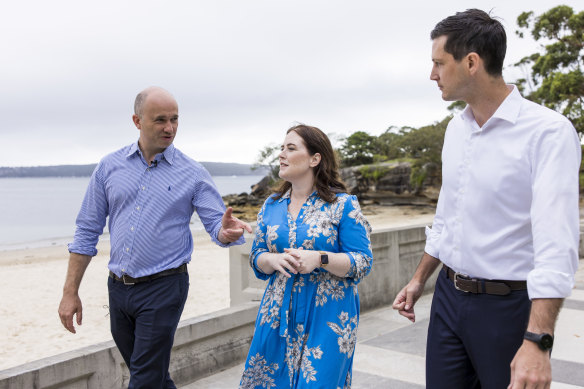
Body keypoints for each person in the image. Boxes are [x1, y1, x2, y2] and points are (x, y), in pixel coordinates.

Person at [392, 9, 581, 389]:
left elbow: (556, 245)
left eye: (439, 63)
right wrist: (419, 280)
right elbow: (448, 217)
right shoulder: (455, 129)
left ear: (472, 62)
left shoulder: (548, 132)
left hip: (507, 308)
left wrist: (538, 341)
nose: (432, 75)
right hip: (447, 298)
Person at [58, 86, 252, 389]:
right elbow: (86, 231)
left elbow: (217, 226)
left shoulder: (193, 173)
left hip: (165, 287)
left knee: (144, 380)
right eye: (160, 120)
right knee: (152, 377)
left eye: (175, 119)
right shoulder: (109, 167)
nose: (169, 128)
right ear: (137, 121)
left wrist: (226, 234)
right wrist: (70, 292)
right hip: (118, 290)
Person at [239, 124, 373, 388]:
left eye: (291, 148)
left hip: (329, 317)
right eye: (281, 148)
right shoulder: (271, 206)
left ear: (315, 158)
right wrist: (272, 260)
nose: (281, 154)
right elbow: (257, 256)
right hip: (276, 313)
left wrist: (320, 258)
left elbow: (363, 262)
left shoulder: (343, 205)